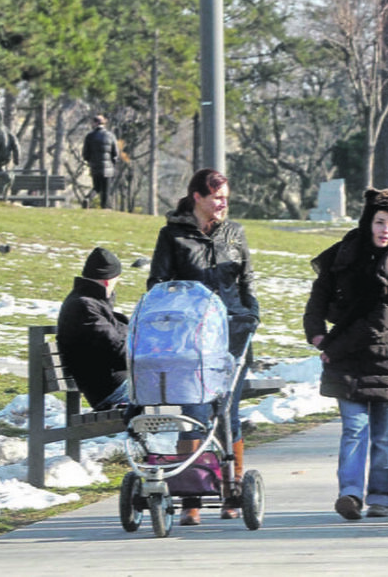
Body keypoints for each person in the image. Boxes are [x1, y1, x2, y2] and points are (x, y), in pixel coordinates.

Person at [148, 168, 260, 525]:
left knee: (227, 413)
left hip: (232, 336)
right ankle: (190, 496)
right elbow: (158, 284)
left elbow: (246, 279)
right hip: (190, 342)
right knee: (193, 415)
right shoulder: (173, 236)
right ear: (197, 197)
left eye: (226, 196)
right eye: (217, 196)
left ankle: (232, 491)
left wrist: (250, 312)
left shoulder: (234, 233)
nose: (223, 202)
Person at [303, 188, 388, 521]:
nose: (385, 230)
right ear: (368, 222)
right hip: (346, 360)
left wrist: (333, 348)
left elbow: (384, 318)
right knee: (354, 428)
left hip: (386, 359)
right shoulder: (344, 253)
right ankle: (349, 494)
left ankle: (380, 495)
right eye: (380, 222)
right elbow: (319, 295)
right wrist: (315, 332)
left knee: (383, 435)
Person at [55, 247, 129, 409]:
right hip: (111, 391)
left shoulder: (90, 302)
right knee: (183, 394)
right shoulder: (84, 306)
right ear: (108, 281)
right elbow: (117, 349)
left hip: (119, 385)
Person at [82, 115, 118, 209]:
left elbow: (85, 153)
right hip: (108, 167)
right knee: (106, 189)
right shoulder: (110, 135)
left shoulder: (90, 136)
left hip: (95, 166)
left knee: (96, 187)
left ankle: (88, 198)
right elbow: (115, 153)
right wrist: (113, 164)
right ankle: (104, 207)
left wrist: (89, 161)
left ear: (95, 123)